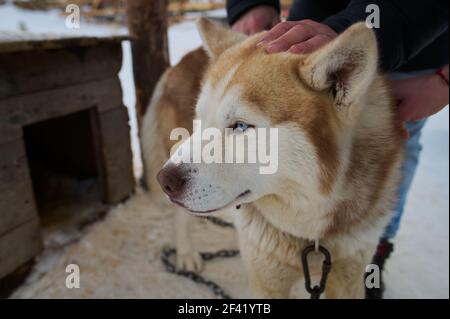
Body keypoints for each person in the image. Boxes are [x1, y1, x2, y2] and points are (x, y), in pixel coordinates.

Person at [226, 0, 449, 298]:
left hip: (421, 52)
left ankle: (376, 247)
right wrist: (250, 4)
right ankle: (281, 239)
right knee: (279, 143)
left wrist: (445, 81)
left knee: (398, 150)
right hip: (307, 36)